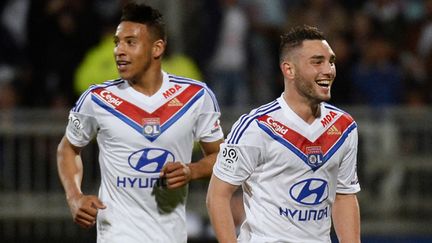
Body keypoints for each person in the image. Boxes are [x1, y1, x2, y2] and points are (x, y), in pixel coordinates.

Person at [56, 2, 224, 243]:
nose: (119, 51)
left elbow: (221, 156)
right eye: (117, 42)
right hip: (117, 235)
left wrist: (192, 170)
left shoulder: (196, 96)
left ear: (157, 48)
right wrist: (74, 197)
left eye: (130, 42)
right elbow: (68, 148)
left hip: (171, 235)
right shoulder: (97, 99)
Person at [207, 25, 361, 243]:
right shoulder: (257, 126)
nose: (329, 70)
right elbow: (218, 195)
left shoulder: (344, 127)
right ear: (289, 70)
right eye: (317, 62)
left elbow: (344, 195)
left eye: (331, 61)